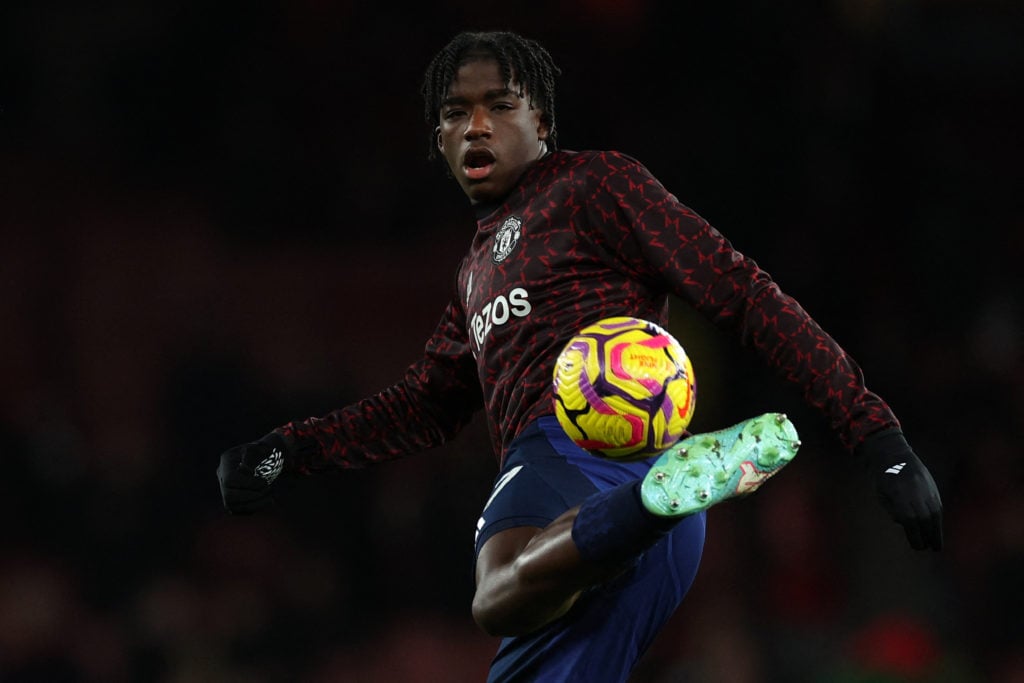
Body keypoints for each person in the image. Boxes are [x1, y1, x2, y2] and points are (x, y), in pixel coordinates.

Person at [217, 30, 943, 682]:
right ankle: (655, 500)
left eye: (498, 105)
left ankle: (650, 495)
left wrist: (875, 433)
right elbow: (421, 406)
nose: (474, 125)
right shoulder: (474, 274)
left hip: (577, 452)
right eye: (453, 112)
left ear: (542, 121)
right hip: (641, 527)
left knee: (496, 592)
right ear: (436, 137)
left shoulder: (594, 185)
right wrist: (288, 450)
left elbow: (739, 290)